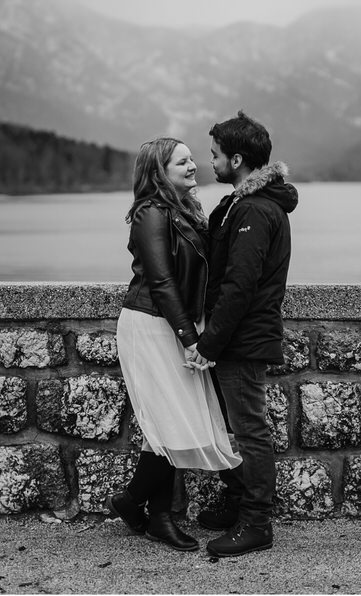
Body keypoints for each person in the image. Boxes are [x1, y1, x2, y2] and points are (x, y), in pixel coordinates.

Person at [108, 137, 242, 552]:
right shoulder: (151, 212)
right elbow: (163, 282)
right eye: (181, 162)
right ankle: (136, 504)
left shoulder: (185, 211)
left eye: (191, 159)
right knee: (173, 425)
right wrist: (190, 338)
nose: (193, 166)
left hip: (174, 323)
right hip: (152, 325)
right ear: (159, 172)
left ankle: (150, 514)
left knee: (168, 427)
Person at [186, 111, 298, 558]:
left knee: (250, 430)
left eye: (214, 155)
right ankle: (238, 506)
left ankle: (256, 523)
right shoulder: (241, 204)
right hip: (237, 337)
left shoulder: (254, 208)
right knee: (232, 425)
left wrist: (209, 343)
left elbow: (240, 284)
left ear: (237, 159)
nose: (209, 162)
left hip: (243, 339)